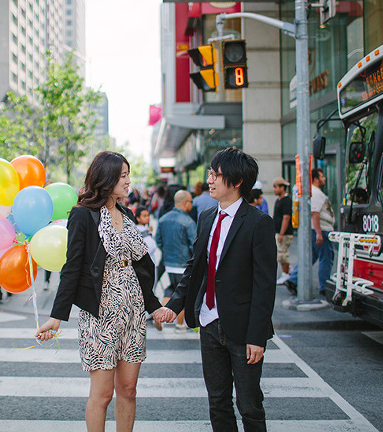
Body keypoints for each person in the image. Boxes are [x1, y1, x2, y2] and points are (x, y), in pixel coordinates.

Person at [35, 151, 162, 432]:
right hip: (100, 313)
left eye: (128, 175)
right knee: (103, 394)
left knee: (128, 390)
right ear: (106, 178)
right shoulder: (83, 215)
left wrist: (153, 306)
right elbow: (72, 268)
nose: (129, 181)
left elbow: (139, 267)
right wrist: (57, 316)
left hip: (132, 313)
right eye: (123, 176)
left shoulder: (126, 213)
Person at [154, 148, 277, 432]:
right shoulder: (206, 217)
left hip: (244, 329)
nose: (210, 180)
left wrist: (257, 337)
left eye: (216, 174)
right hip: (209, 323)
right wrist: (173, 306)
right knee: (218, 402)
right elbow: (195, 269)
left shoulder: (259, 223)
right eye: (210, 173)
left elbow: (264, 285)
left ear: (236, 182)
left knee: (249, 405)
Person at [285, 168, 335, 296]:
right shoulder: (317, 193)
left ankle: (294, 279)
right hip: (322, 230)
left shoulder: (313, 192)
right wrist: (319, 233)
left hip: (316, 230)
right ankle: (324, 286)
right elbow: (315, 213)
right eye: (322, 177)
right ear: (316, 179)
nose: (324, 179)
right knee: (326, 258)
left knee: (309, 257)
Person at [153, 189, 196, 331]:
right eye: (190, 201)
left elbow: (158, 239)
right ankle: (180, 324)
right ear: (185, 203)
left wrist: (166, 252)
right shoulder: (188, 222)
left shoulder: (164, 218)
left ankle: (160, 316)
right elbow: (194, 244)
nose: (192, 204)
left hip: (168, 263)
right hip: (183, 264)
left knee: (170, 290)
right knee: (183, 294)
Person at [272, 177, 293, 285]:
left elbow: (286, 217)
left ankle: (286, 274)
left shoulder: (287, 200)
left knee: (282, 254)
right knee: (281, 253)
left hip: (284, 233)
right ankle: (288, 271)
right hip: (279, 232)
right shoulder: (279, 200)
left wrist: (281, 233)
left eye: (276, 187)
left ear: (282, 187)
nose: (274, 189)